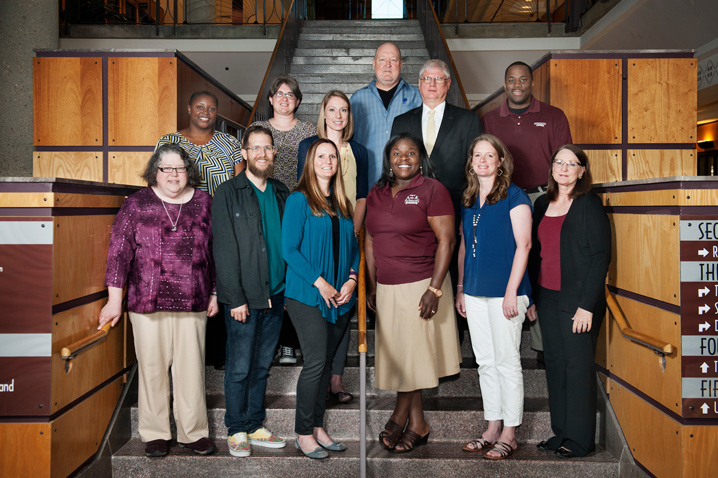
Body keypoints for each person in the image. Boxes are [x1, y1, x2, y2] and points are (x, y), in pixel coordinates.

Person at [98, 143, 218, 458]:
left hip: (194, 299)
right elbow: (119, 253)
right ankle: (155, 434)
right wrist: (114, 300)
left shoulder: (205, 202)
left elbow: (217, 252)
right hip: (146, 301)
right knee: (151, 368)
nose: (174, 175)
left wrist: (216, 292)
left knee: (191, 370)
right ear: (156, 171)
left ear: (188, 171)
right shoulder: (136, 204)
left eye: (180, 168)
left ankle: (193, 433)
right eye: (166, 168)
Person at [366, 133, 460, 454]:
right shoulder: (376, 193)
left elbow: (446, 240)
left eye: (410, 153)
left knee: (413, 354)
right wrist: (371, 283)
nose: (403, 158)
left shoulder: (433, 190)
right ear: (388, 158)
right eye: (396, 153)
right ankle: (419, 424)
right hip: (387, 286)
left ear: (420, 157)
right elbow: (369, 239)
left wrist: (434, 288)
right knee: (407, 356)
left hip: (422, 284)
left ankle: (399, 415)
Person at [482, 61, 573, 361]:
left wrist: (561, 202)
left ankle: (542, 342)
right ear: (504, 84)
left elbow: (566, 161)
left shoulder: (553, 116)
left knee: (542, 264)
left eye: (523, 79)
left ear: (532, 83)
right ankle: (502, 333)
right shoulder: (489, 119)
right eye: (511, 79)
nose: (517, 84)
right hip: (502, 199)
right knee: (506, 260)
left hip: (542, 197)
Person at [391, 58, 482, 348]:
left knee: (453, 268)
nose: (431, 84)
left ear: (447, 84)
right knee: (419, 267)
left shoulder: (467, 119)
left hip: (455, 207)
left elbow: (474, 168)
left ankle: (453, 341)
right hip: (412, 208)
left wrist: (469, 207)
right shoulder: (402, 121)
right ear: (419, 85)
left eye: (438, 79)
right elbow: (396, 165)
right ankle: (418, 335)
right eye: (426, 79)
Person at [528, 145, 611, 459]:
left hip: (577, 300)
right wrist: (534, 298)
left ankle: (580, 440)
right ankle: (561, 432)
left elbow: (600, 256)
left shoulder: (588, 204)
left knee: (577, 368)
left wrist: (587, 304)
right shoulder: (541, 204)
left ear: (582, 170)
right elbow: (537, 255)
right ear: (552, 168)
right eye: (558, 162)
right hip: (547, 296)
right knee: (556, 367)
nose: (563, 168)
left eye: (571, 163)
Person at [212, 125, 290, 458]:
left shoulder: (282, 191)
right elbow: (224, 249)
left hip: (277, 294)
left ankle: (255, 424)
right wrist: (235, 297)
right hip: (244, 298)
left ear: (273, 153)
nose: (261, 153)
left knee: (261, 366)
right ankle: (236, 429)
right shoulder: (228, 192)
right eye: (254, 148)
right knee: (240, 366)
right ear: (243, 153)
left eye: (266, 148)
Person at [281, 138, 360, 459]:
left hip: (341, 297)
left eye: (333, 156)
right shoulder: (299, 200)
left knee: (327, 363)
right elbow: (289, 250)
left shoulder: (343, 204)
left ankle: (317, 427)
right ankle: (302, 433)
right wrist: (321, 284)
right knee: (315, 362)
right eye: (321, 156)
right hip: (307, 295)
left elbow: (355, 250)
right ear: (310, 162)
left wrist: (353, 280)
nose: (328, 161)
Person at [455, 134, 532, 460]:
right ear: (471, 162)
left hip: (506, 293)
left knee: (507, 363)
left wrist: (512, 292)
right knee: (485, 363)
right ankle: (491, 427)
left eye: (490, 155)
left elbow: (524, 245)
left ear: (501, 161)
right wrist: (460, 287)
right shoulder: (469, 197)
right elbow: (463, 244)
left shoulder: (515, 196)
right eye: (477, 155)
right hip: (473, 292)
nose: (483, 161)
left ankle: (510, 433)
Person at [155, 90, 244, 370]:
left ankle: (217, 352)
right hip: (179, 227)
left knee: (219, 280)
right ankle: (184, 354)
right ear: (189, 108)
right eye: (200, 106)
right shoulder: (169, 141)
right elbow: (156, 181)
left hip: (220, 224)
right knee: (188, 282)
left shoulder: (229, 143)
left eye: (212, 108)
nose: (206, 112)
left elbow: (240, 185)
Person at [298, 90, 369, 404]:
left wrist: (351, 226)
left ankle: (336, 379)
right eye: (332, 109)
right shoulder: (308, 147)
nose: (338, 115)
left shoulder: (360, 151)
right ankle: (319, 375)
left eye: (344, 110)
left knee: (344, 301)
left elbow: (364, 194)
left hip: (348, 229)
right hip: (318, 234)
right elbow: (306, 184)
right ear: (323, 113)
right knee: (322, 304)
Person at [253, 75, 317, 364]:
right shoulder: (258, 130)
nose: (284, 98)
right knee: (270, 271)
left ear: (298, 100)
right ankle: (271, 340)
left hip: (301, 206)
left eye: (290, 94)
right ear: (270, 99)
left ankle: (292, 342)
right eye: (279, 93)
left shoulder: (309, 131)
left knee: (295, 271)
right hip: (267, 205)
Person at [351, 42, 422, 188]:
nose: (387, 65)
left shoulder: (418, 96)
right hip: (369, 181)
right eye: (382, 59)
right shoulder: (357, 99)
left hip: (409, 183)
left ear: (401, 64)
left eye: (393, 60)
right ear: (374, 64)